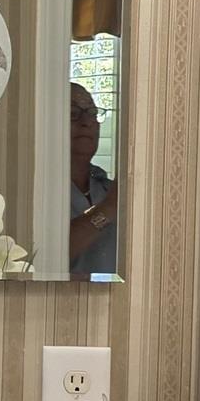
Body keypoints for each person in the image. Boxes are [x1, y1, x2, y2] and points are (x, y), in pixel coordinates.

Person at [68, 82, 117, 279]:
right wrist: (109, 208)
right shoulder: (36, 187)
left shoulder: (106, 187)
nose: (86, 122)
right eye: (73, 113)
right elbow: (45, 255)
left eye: (92, 113)